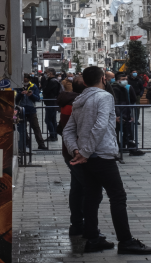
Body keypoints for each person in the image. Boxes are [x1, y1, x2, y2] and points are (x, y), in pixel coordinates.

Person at [62, 66, 151, 255]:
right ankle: (126, 241)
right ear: (104, 79)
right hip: (102, 155)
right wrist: (86, 152)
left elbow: (68, 130)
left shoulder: (79, 99)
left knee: (92, 196)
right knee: (118, 196)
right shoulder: (104, 97)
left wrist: (76, 150)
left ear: (85, 82)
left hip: (86, 156)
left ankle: (92, 238)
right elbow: (100, 126)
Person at [57, 76, 89, 235]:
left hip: (69, 150)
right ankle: (86, 226)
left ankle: (77, 224)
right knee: (88, 189)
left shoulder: (68, 102)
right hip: (77, 151)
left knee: (77, 188)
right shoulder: (76, 105)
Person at [111, 72, 145, 156]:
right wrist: (118, 115)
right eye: (123, 79)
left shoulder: (123, 88)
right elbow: (116, 103)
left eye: (126, 79)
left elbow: (127, 103)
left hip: (125, 113)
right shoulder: (115, 88)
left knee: (128, 132)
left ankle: (129, 148)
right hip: (120, 114)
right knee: (121, 132)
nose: (125, 81)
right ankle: (126, 148)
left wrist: (129, 116)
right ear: (117, 80)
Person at [16, 74, 48, 151]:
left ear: (29, 80)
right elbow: (15, 99)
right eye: (24, 80)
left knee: (36, 127)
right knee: (22, 128)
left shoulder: (34, 86)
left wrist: (31, 95)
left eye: (26, 80)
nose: (25, 82)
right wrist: (20, 94)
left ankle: (41, 144)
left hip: (31, 109)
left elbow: (37, 98)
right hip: (21, 110)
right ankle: (26, 142)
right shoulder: (18, 86)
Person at [41, 68, 62, 143]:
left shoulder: (52, 81)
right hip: (52, 102)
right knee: (53, 120)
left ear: (51, 73)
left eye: (46, 73)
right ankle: (54, 135)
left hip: (51, 102)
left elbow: (46, 90)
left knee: (48, 120)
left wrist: (44, 82)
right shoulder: (53, 80)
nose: (45, 74)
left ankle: (53, 135)